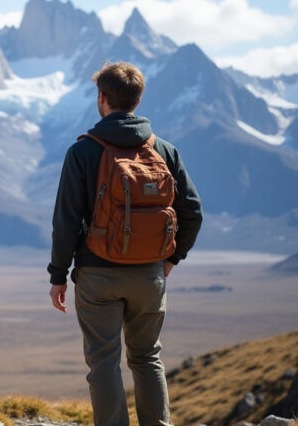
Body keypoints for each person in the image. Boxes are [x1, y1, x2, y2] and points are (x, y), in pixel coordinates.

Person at [47, 61, 203, 426]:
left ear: (102, 98)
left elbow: (66, 221)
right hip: (150, 274)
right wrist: (171, 259)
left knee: (103, 361)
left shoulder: (83, 152)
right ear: (138, 99)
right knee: (147, 357)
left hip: (98, 274)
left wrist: (58, 275)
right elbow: (192, 212)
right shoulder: (164, 150)